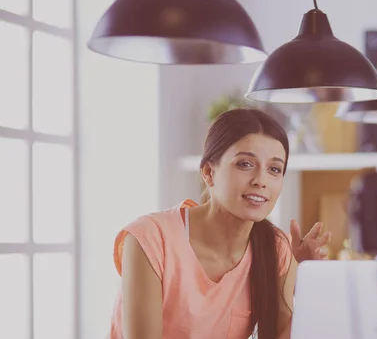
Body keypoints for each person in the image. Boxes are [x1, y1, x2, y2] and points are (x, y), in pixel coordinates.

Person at [108, 107, 332, 339]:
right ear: (208, 172)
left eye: (274, 169)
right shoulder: (151, 239)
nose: (260, 180)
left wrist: (310, 282)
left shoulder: (277, 249)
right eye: (245, 164)